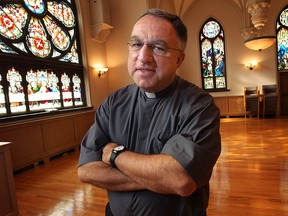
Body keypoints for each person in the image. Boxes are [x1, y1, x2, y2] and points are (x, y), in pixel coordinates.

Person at [78, 8, 221, 216]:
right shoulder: (113, 103)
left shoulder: (199, 105)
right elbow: (86, 170)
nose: (143, 57)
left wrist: (115, 155)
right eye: (136, 44)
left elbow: (181, 180)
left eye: (159, 47)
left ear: (179, 59)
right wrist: (160, 178)